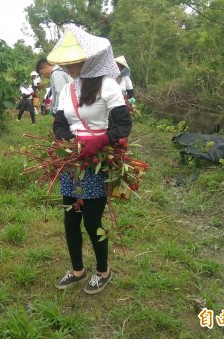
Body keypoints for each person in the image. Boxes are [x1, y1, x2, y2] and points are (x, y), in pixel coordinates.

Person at [47, 25, 132, 294]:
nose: (70, 67)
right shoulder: (68, 89)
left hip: (97, 161)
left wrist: (100, 140)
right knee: (71, 217)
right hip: (72, 162)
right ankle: (77, 270)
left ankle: (103, 270)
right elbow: (59, 123)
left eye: (76, 62)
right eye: (68, 63)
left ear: (91, 59)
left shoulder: (108, 86)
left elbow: (122, 125)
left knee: (92, 220)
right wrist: (65, 141)